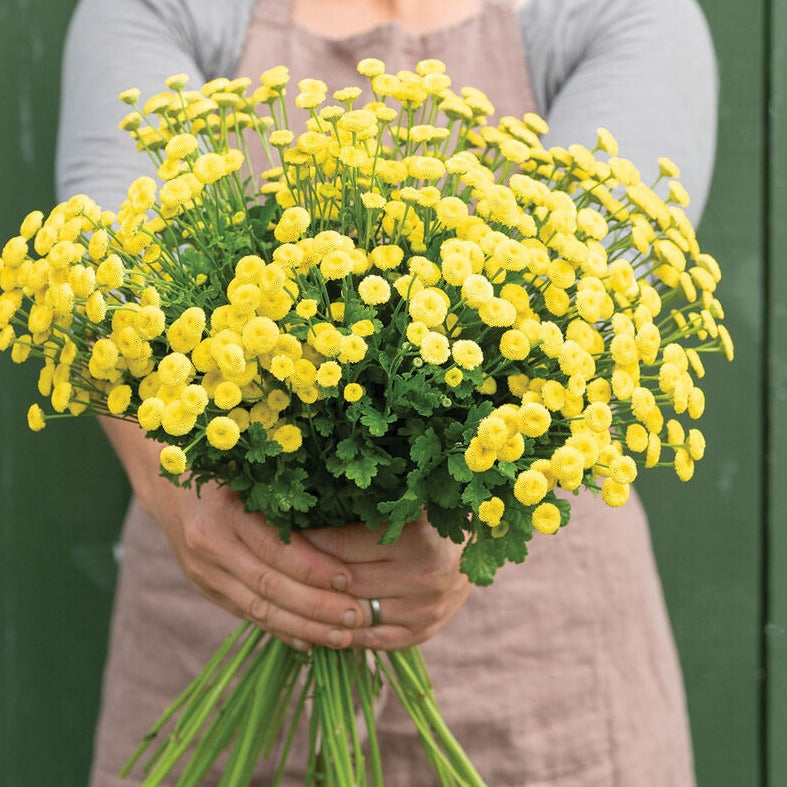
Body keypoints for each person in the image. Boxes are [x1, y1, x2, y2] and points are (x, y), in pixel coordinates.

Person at [56, 0, 718, 784]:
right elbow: (99, 282)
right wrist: (177, 498)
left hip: (540, 676)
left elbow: (593, 304)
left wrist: (465, 526)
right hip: (215, 621)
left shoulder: (617, 11)